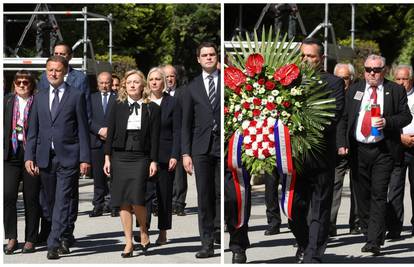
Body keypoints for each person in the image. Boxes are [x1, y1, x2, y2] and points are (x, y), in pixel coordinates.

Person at [337, 54, 411, 256]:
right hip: (359, 150)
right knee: (361, 195)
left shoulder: (395, 90)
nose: (372, 74)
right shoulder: (354, 90)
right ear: (364, 71)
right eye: (368, 70)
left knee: (379, 194)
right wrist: (342, 143)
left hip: (383, 151)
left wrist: (387, 122)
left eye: (376, 70)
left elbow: (406, 116)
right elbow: (344, 118)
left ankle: (373, 240)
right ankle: (372, 230)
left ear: (384, 70)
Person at [24, 55, 90, 260]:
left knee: (62, 200)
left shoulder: (75, 95)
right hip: (44, 157)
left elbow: (82, 129)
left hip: (68, 157)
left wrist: (84, 158)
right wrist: (29, 156)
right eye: (50, 70)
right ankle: (62, 234)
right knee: (49, 202)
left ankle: (53, 243)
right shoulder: (39, 96)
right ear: (46, 71)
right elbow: (32, 130)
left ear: (65, 72)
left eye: (57, 70)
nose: (53, 73)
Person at [289, 38, 345, 263]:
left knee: (320, 208)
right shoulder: (289, 81)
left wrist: (303, 125)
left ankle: (313, 253)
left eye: (310, 56)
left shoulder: (334, 83)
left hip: (321, 157)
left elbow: (334, 115)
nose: (305, 60)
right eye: (302, 55)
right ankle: (304, 243)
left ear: (321, 59)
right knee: (294, 209)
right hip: (295, 157)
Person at [103, 69, 160, 258]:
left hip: (141, 157)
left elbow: (155, 138)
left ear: (143, 85)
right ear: (124, 86)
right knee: (122, 201)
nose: (133, 85)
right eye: (129, 82)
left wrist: (153, 160)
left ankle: (143, 229)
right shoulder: (117, 105)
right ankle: (128, 241)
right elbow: (110, 133)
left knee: (137, 199)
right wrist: (107, 157)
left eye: (136, 82)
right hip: (120, 156)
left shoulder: (152, 108)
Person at [181, 42, 221, 258]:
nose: (208, 58)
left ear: (217, 57)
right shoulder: (192, 87)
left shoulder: (227, 81)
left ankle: (218, 231)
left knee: (221, 193)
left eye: (212, 54)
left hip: (222, 146)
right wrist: (185, 153)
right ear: (198, 59)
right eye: (204, 55)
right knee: (204, 196)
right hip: (200, 148)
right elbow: (185, 123)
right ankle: (206, 242)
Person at [4, 71, 40, 254]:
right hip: (10, 153)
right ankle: (11, 237)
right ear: (14, 84)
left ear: (32, 84)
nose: (22, 85)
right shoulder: (7, 101)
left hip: (30, 153)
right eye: (19, 82)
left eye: (26, 82)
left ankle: (31, 238)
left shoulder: (38, 102)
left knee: (31, 198)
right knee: (8, 196)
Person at [146, 67, 181, 245]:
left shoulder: (173, 103)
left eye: (158, 79)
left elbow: (177, 131)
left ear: (164, 82)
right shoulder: (143, 102)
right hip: (145, 155)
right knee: (144, 194)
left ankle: (163, 232)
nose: (154, 82)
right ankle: (144, 230)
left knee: (164, 195)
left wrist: (175, 154)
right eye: (151, 79)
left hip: (166, 155)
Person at [330, 63, 361, 236]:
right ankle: (330, 223)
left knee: (357, 185)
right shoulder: (329, 92)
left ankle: (356, 222)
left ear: (352, 78)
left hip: (356, 145)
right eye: (339, 78)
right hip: (337, 146)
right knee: (335, 185)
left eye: (346, 78)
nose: (343, 82)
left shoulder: (358, 92)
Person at [386, 64, 414, 238]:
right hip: (397, 145)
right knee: (395, 188)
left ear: (411, 80)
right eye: (398, 79)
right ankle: (394, 227)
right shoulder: (390, 97)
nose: (401, 82)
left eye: (405, 79)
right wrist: (400, 137)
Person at [88, 72, 117, 217]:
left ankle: (113, 205)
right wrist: (99, 130)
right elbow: (87, 118)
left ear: (111, 83)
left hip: (114, 142)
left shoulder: (118, 98)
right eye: (101, 83)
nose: (104, 86)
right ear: (97, 84)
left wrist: (109, 131)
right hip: (97, 141)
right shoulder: (91, 98)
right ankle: (98, 205)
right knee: (98, 176)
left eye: (107, 83)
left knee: (114, 175)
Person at [163, 64, 188, 216]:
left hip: (179, 137)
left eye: (172, 76)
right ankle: (165, 202)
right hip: (164, 139)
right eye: (166, 76)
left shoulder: (183, 92)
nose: (169, 79)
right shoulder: (158, 93)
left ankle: (179, 202)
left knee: (179, 173)